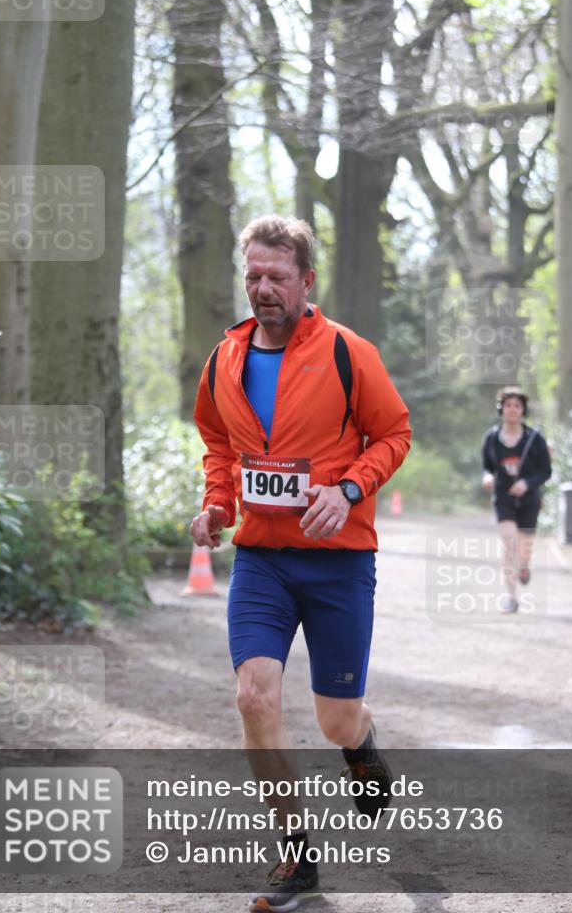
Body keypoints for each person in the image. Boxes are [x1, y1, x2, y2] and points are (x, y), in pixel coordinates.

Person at [190, 215, 411, 911]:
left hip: (338, 563)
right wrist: (217, 504)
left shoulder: (348, 352)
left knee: (334, 717)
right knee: (253, 695)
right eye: (252, 276)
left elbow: (395, 432)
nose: (262, 289)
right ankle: (295, 854)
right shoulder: (224, 357)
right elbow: (219, 443)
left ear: (305, 282)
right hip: (262, 561)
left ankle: (362, 743)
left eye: (276, 277)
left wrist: (348, 490)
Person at [481, 387, 552, 614]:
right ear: (501, 409)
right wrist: (488, 477)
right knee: (508, 545)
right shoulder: (491, 438)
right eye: (508, 405)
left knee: (523, 550)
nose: (512, 410)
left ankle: (524, 567)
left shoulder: (535, 439)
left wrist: (527, 484)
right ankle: (510, 597)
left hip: (530, 500)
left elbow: (545, 471)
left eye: (517, 406)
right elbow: (487, 467)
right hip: (503, 499)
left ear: (523, 410)